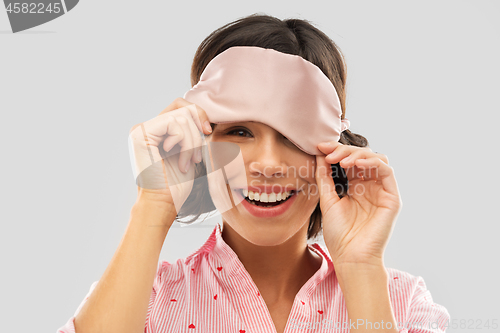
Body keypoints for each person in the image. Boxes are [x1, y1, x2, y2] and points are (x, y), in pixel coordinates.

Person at [57, 13, 450, 333]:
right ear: (201, 142)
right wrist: (154, 202)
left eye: (294, 136)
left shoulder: (400, 302)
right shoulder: (145, 298)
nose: (269, 164)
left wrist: (362, 270)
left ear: (335, 151)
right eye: (239, 131)